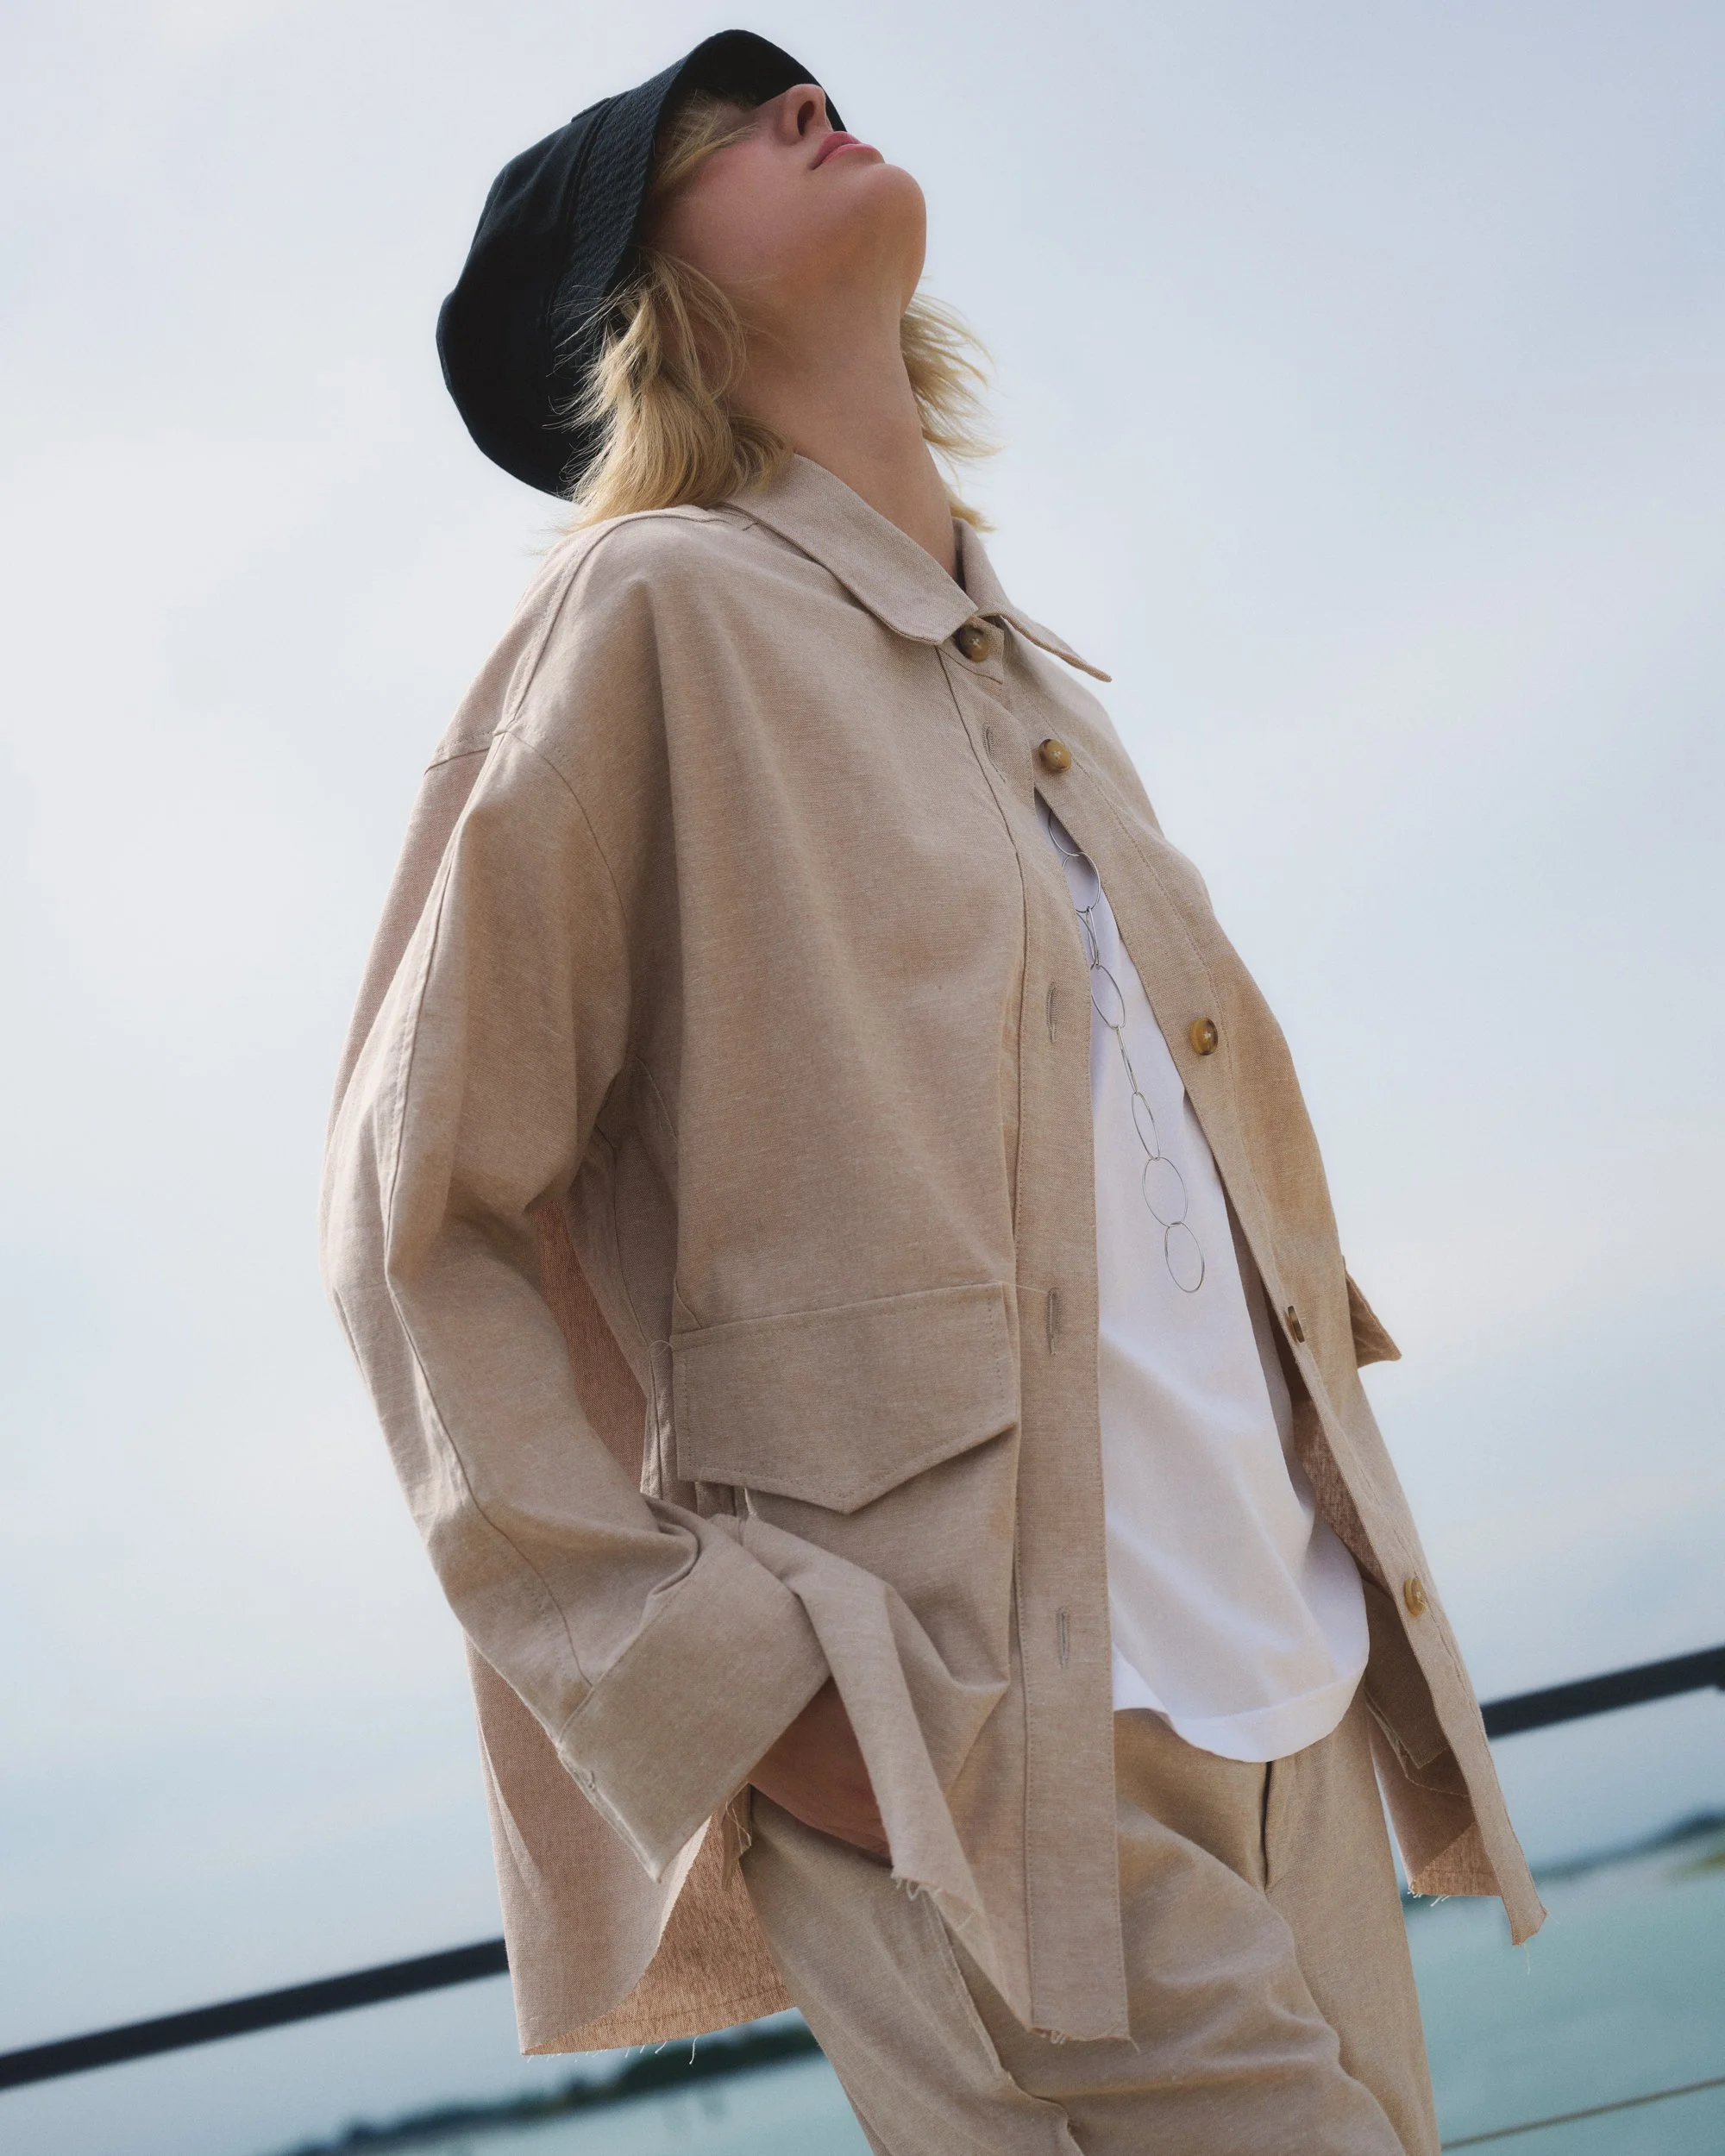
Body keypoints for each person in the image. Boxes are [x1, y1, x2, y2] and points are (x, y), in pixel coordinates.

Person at [322, 29, 1542, 2154]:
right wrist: (744, 1704)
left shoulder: (1036, 676)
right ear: (643, 304)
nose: (800, 96)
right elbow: (413, 1222)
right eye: (711, 133)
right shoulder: (648, 613)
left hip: (1290, 1704)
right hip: (977, 1761)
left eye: (789, 84)